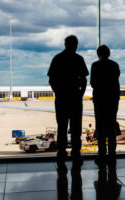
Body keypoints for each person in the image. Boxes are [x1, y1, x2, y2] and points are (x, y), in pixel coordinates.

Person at [47, 35, 89, 169]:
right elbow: (84, 80)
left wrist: (58, 92)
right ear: (76, 45)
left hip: (61, 99)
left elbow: (51, 80)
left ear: (65, 44)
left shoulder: (57, 58)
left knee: (62, 127)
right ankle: (76, 153)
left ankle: (61, 152)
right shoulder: (79, 59)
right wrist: (80, 93)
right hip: (75, 99)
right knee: (76, 128)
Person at [90, 44, 120, 167]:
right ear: (109, 53)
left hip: (100, 100)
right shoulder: (114, 65)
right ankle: (112, 155)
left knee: (101, 128)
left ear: (98, 54)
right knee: (112, 127)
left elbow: (92, 83)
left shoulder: (95, 65)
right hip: (112, 100)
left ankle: (102, 155)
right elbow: (116, 78)